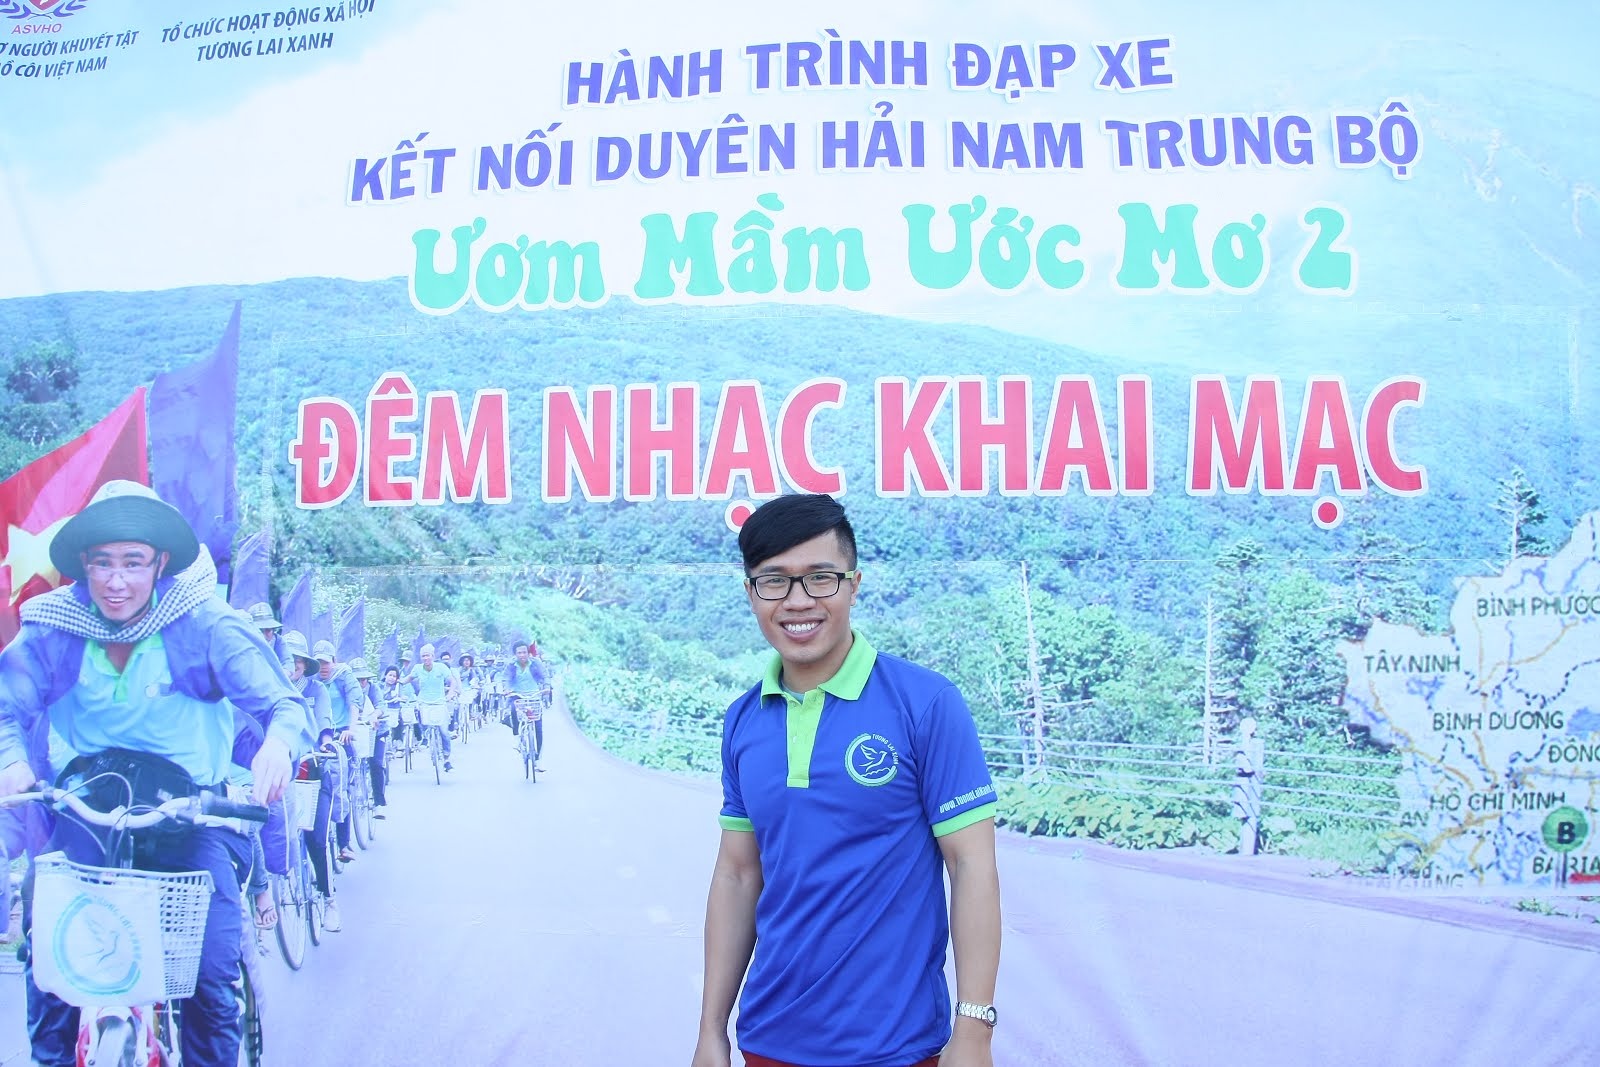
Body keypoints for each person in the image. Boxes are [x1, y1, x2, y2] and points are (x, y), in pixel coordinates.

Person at [0, 480, 312, 1067]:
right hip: (87, 811)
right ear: (84, 565)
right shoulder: (53, 626)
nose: (116, 581)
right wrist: (12, 761)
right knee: (49, 955)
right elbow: (6, 706)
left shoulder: (205, 623)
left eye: (133, 562)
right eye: (103, 563)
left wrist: (277, 744)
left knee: (211, 977)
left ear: (160, 563)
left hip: (188, 817)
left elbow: (284, 705)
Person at [692, 495, 1002, 1067]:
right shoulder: (744, 720)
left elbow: (971, 866)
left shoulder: (925, 703)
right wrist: (712, 1029)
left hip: (897, 1047)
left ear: (853, 585)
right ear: (751, 593)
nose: (798, 601)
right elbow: (738, 874)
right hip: (768, 1039)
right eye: (774, 581)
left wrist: (974, 1029)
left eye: (820, 578)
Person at [281, 630, 346, 932]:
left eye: (297, 660)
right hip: (281, 774)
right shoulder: (272, 688)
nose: (292, 664)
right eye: (287, 658)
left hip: (312, 772)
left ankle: (329, 899)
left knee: (316, 839)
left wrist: (326, 742)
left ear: (305, 664)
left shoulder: (316, 690)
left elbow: (323, 722)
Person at [315, 639, 361, 864]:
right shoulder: (310, 680)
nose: (323, 667)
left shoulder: (344, 676)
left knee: (341, 787)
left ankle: (344, 844)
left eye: (326, 662)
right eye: (318, 663)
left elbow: (354, 703)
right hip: (317, 737)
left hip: (342, 735)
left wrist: (351, 728)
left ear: (334, 661)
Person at [407, 643, 457, 772]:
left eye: (427, 655)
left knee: (444, 731)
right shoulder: (417, 668)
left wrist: (451, 693)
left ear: (433, 656)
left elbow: (452, 681)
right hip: (424, 701)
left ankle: (446, 759)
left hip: (439, 702)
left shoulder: (441, 668)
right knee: (419, 714)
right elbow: (409, 678)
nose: (425, 658)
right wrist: (397, 681)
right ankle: (424, 738)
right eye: (423, 656)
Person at [350, 657, 388, 817]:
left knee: (376, 764)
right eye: (357, 680)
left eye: (363, 679)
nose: (360, 683)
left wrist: (374, 715)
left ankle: (379, 802)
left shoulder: (373, 689)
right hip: (355, 730)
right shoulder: (347, 689)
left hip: (376, 731)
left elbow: (381, 705)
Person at [503, 641, 550, 769]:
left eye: (524, 652)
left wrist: (546, 687)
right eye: (519, 653)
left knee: (538, 727)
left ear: (528, 653)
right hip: (517, 695)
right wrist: (506, 689)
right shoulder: (511, 665)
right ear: (515, 654)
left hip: (534, 695)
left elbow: (545, 676)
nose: (522, 655)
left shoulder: (536, 663)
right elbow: (506, 678)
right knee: (514, 709)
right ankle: (516, 737)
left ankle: (538, 759)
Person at [1232, 717, 1265, 856]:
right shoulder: (1243, 746)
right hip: (1246, 783)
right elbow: (1246, 767)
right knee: (1246, 809)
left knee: (1250, 809)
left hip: (1249, 784)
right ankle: (1246, 850)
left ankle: (1247, 849)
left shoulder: (1252, 744)